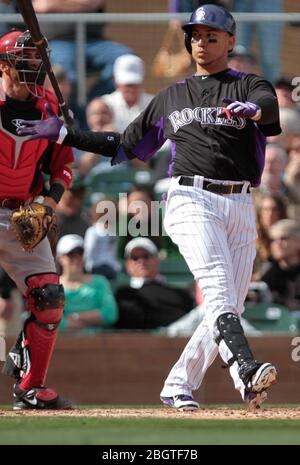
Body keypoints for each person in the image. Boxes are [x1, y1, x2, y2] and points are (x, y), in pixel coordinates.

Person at [17, 4, 281, 410]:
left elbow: (269, 105)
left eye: (211, 35)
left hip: (242, 202)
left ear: (229, 41)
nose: (201, 42)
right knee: (216, 288)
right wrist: (67, 135)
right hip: (190, 197)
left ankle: (178, 385)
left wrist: (257, 110)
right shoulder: (172, 96)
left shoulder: (249, 85)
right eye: (195, 35)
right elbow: (125, 144)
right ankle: (245, 368)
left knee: (228, 303)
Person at [0, 29, 74, 410]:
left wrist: (48, 202)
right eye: (24, 60)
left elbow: (63, 169)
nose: (33, 66)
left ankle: (31, 388)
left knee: (49, 298)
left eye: (36, 59)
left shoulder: (50, 108)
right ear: (4, 67)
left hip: (20, 213)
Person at [32, 0, 132, 98]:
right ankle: (74, 112)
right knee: (66, 72)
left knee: (126, 59)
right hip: (58, 41)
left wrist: (57, 4)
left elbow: (95, 2)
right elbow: (42, 5)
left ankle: (93, 105)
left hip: (93, 41)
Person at [114, 238, 194, 330]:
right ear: (128, 265)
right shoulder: (124, 294)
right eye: (135, 258)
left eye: (146, 256)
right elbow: (132, 318)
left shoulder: (180, 293)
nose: (141, 261)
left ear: (156, 259)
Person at [56, 234, 118, 334]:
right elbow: (53, 321)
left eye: (80, 252)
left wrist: (75, 317)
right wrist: (90, 321)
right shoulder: (53, 285)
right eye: (70, 253)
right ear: (60, 258)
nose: (76, 257)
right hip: (62, 346)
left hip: (98, 345)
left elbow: (110, 314)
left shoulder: (100, 281)